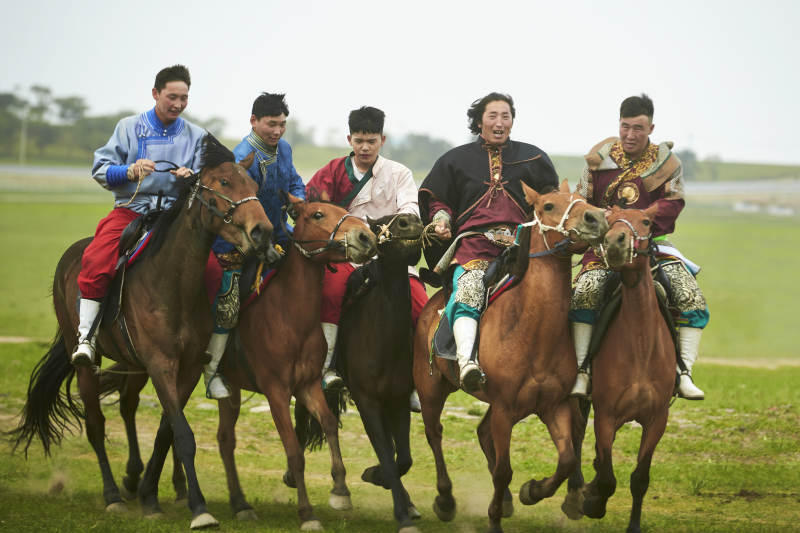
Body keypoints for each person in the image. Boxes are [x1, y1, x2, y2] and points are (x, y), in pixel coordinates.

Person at [569, 93, 709, 400]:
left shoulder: (667, 163)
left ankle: (684, 373)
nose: (630, 134)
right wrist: (602, 218)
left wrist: (638, 219)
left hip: (650, 247)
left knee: (690, 296)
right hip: (604, 248)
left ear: (651, 128)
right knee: (585, 293)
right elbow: (580, 201)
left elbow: (673, 203)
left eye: (638, 128)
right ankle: (582, 371)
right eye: (625, 127)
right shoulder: (598, 158)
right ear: (618, 124)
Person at [418, 92, 559, 392]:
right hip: (474, 247)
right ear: (479, 121)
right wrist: (441, 220)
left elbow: (551, 201)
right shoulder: (455, 160)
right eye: (492, 116)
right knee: (469, 289)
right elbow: (439, 200)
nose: (499, 122)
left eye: (505, 116)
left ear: (512, 121)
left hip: (522, 248)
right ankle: (468, 361)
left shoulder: (534, 158)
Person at [72, 65, 205, 367]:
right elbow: (101, 169)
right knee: (96, 259)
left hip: (175, 216)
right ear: (156, 93)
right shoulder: (128, 127)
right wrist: (129, 170)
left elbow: (209, 177)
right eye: (172, 96)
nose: (178, 104)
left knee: (210, 264)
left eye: (184, 98)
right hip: (131, 211)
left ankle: (203, 342)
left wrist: (192, 177)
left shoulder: (197, 135)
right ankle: (86, 339)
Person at [306, 106, 427, 401]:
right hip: (346, 257)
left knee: (421, 307)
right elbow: (311, 208)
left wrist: (400, 223)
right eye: (359, 140)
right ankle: (327, 368)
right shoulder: (331, 173)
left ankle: (416, 380)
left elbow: (410, 207)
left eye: (371, 141)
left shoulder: (399, 173)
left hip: (387, 257)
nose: (364, 147)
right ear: (349, 139)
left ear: (382, 140)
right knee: (331, 294)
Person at [203, 92, 306, 399]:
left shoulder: (283, 148)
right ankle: (213, 373)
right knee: (228, 304)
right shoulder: (241, 157)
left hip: (278, 235)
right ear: (253, 121)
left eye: (282, 124)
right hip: (238, 242)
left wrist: (296, 198)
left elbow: (294, 181)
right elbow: (236, 211)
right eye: (271, 124)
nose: (277, 131)